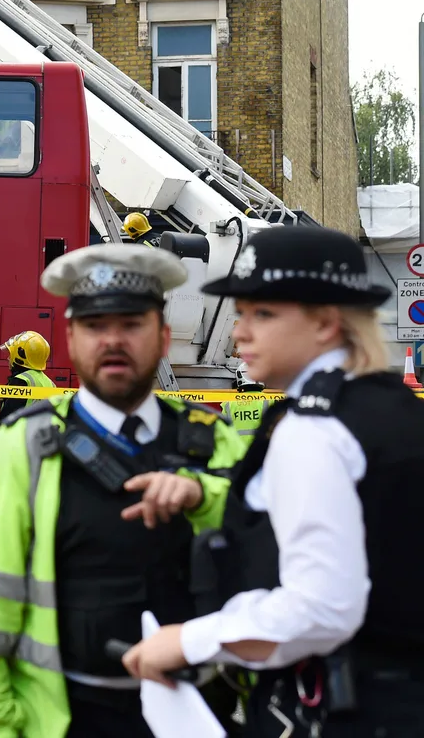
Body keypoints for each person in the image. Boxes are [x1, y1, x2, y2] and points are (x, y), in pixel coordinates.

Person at [120, 225, 424, 737]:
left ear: (326, 322)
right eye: (240, 314)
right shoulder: (391, 408)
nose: (240, 333)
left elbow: (323, 607)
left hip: (342, 710)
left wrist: (189, 642)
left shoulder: (315, 429)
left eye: (262, 313)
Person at [0, 244, 247, 738]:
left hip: (203, 716)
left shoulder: (214, 441)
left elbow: (270, 567)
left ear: (163, 337)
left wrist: (202, 496)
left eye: (131, 325)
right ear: (71, 338)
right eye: (96, 327)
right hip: (72, 720)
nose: (113, 341)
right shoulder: (25, 449)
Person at [0, 330, 55, 426]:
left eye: (11, 354)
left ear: (20, 356)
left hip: (20, 437)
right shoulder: (50, 383)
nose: (8, 358)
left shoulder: (21, 380)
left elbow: (9, 415)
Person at [219, 362, 272, 445]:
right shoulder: (271, 400)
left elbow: (222, 431)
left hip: (237, 452)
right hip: (262, 451)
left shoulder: (228, 404)